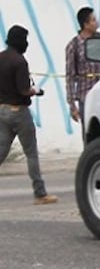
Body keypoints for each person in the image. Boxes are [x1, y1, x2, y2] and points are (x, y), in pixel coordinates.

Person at [0, 25, 58, 205]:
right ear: (20, 41)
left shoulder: (1, 58)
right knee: (31, 154)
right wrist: (36, 91)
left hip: (2, 111)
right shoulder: (20, 62)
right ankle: (40, 194)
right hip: (19, 113)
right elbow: (23, 90)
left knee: (1, 151)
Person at [64, 7, 100, 130]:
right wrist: (72, 105)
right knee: (89, 131)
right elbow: (70, 77)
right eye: (93, 20)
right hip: (86, 96)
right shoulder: (74, 45)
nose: (96, 22)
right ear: (85, 24)